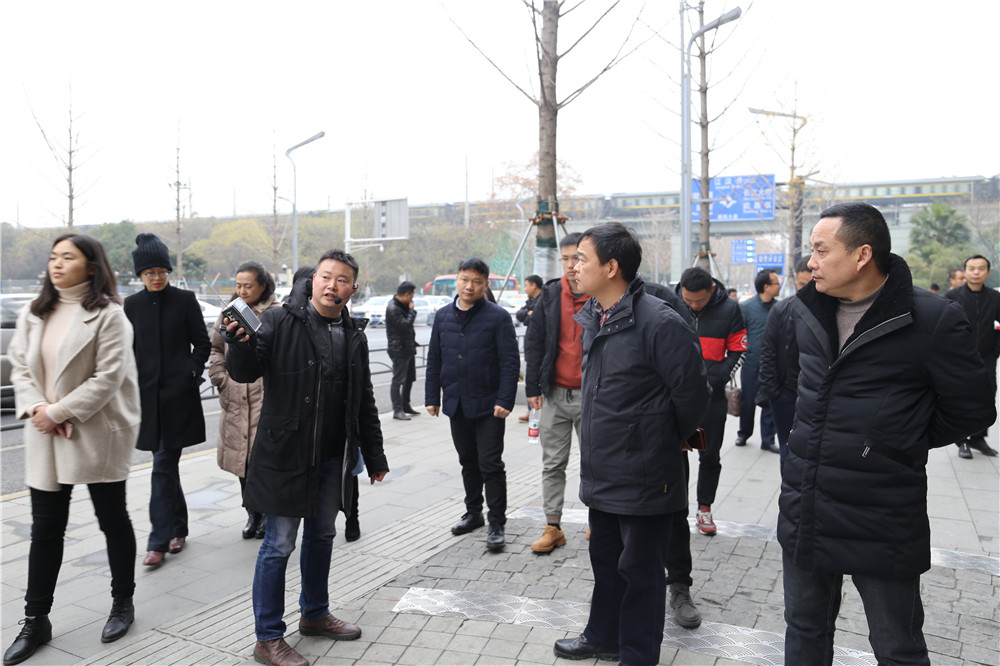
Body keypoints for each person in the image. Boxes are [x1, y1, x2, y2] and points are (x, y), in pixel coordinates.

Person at [779, 202, 995, 665]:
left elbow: (972, 409)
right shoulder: (805, 309)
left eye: (821, 250)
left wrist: (894, 442)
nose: (810, 262)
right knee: (803, 631)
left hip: (880, 512)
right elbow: (801, 384)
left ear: (862, 255)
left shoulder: (932, 318)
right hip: (806, 504)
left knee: (897, 646)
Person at [552, 223, 710, 666]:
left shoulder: (659, 322)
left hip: (645, 474)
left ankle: (638, 655)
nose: (573, 267)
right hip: (603, 469)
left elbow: (694, 396)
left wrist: (658, 438)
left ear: (611, 267)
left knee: (640, 573)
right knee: (606, 563)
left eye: (581, 259)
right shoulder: (595, 316)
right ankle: (603, 637)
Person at [224, 249, 389, 666]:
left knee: (322, 536)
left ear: (353, 288)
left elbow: (364, 399)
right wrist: (238, 344)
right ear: (313, 280)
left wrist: (375, 454)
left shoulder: (352, 333)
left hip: (333, 456)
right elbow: (245, 371)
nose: (333, 285)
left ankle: (314, 614)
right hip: (285, 455)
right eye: (326, 277)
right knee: (278, 544)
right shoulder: (279, 320)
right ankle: (268, 637)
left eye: (342, 280)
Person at [5, 234, 141, 664]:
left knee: (112, 519)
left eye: (68, 257)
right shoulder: (35, 311)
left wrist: (60, 411)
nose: (57, 264)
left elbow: (108, 376)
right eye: (53, 257)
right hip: (46, 432)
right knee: (45, 528)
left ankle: (122, 603)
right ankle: (35, 619)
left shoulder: (110, 315)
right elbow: (19, 365)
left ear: (91, 267)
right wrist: (39, 409)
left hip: (96, 429)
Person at [124, 233, 210, 567]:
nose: (157, 277)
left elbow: (202, 343)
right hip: (147, 401)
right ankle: (178, 528)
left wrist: (191, 372)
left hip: (178, 400)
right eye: (150, 273)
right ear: (140, 275)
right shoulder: (132, 306)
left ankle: (157, 542)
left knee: (162, 466)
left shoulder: (185, 300)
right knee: (165, 466)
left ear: (168, 271)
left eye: (161, 271)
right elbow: (129, 350)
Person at [425, 258, 519, 553]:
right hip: (457, 402)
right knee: (467, 461)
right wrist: (432, 397)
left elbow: (510, 361)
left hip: (490, 405)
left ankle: (497, 523)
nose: (469, 286)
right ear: (457, 279)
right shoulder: (443, 316)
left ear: (485, 284)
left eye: (477, 282)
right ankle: (473, 513)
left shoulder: (498, 317)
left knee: (491, 464)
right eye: (465, 280)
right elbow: (434, 359)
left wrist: (505, 400)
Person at [523, 235, 588, 553]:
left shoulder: (600, 293)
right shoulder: (549, 295)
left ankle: (598, 521)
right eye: (565, 259)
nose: (571, 265)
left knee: (596, 463)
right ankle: (553, 527)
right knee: (553, 464)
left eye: (577, 258)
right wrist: (532, 388)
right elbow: (534, 343)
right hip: (554, 394)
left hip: (593, 396)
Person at [208, 261, 280, 540]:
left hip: (264, 398)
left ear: (263, 285)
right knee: (242, 462)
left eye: (248, 286)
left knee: (263, 461)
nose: (242, 291)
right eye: (238, 285)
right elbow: (216, 348)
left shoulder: (276, 313)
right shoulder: (229, 311)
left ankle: (266, 513)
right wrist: (220, 376)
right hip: (235, 398)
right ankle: (252, 513)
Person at [675, 266, 747, 536]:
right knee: (676, 454)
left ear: (712, 291)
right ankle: (677, 508)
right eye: (688, 300)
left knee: (710, 455)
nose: (693, 306)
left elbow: (740, 349)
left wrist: (716, 377)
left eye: (699, 301)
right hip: (677, 397)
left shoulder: (729, 308)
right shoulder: (672, 304)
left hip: (711, 397)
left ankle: (704, 508)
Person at [756, 257, 812, 468]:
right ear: (795, 280)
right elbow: (768, 352)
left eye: (811, 284)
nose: (806, 290)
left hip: (817, 397)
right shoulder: (781, 310)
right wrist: (773, 393)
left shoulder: (833, 310)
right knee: (788, 452)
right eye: (802, 284)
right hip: (786, 395)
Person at [945, 254, 1000, 458]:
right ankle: (961, 440)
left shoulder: (995, 298)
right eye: (972, 268)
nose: (976, 272)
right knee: (960, 398)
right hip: (958, 358)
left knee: (987, 396)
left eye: (981, 268)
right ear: (965, 271)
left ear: (988, 272)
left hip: (986, 358)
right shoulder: (953, 296)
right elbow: (942, 326)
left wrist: (995, 352)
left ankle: (978, 438)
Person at [735, 269, 781, 453]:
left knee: (770, 401)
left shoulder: (780, 308)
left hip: (773, 365)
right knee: (748, 401)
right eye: (776, 283)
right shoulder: (746, 307)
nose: (779, 286)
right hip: (751, 363)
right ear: (766, 287)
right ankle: (743, 433)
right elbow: (740, 334)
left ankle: (768, 440)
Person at [386, 281, 420, 421]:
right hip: (398, 349)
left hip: (408, 347)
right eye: (411, 296)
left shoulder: (402, 305)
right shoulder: (393, 308)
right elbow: (405, 325)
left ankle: (406, 405)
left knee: (410, 378)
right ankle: (397, 409)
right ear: (406, 295)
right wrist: (412, 311)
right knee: (398, 380)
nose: (412, 299)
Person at [517, 274, 544, 423]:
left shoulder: (544, 300)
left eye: (526, 285)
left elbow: (534, 319)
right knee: (531, 378)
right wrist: (529, 313)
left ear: (534, 285)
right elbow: (520, 315)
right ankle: (531, 410)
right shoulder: (531, 301)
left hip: (542, 349)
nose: (525, 289)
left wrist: (530, 315)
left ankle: (537, 410)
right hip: (531, 347)